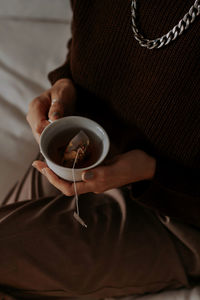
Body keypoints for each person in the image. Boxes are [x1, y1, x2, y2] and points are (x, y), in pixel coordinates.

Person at [0, 0, 199, 299]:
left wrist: (150, 171)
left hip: (178, 211)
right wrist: (65, 83)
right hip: (83, 149)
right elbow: (92, 38)